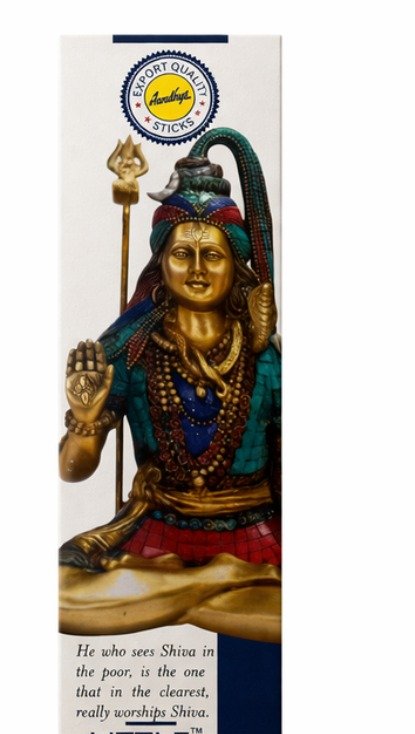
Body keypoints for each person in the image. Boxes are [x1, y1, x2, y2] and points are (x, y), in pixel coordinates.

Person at [58, 129, 281, 643]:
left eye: (213, 256)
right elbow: (72, 471)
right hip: (156, 533)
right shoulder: (130, 350)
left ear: (235, 264)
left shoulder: (265, 357)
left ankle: (173, 599)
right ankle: (219, 584)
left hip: (254, 533)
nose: (197, 270)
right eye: (183, 254)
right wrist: (86, 421)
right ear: (161, 262)